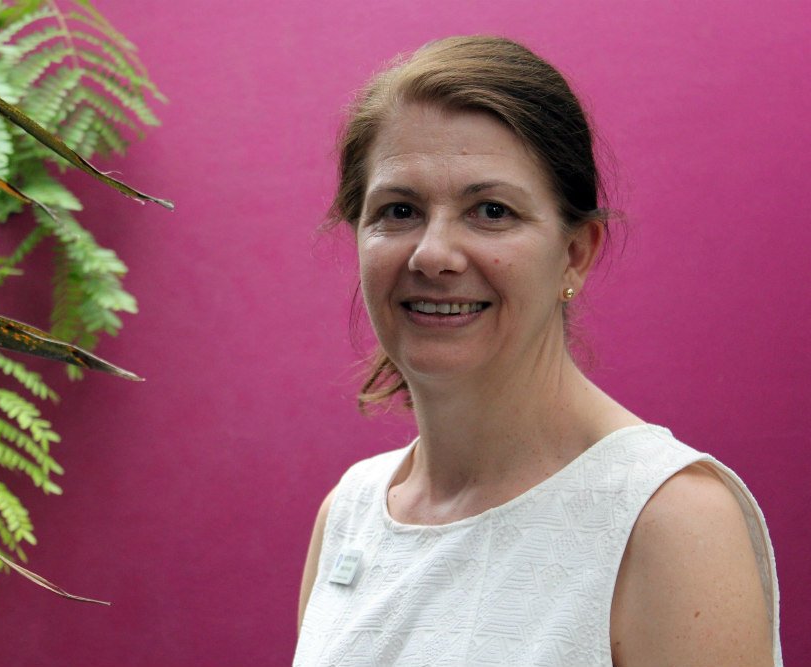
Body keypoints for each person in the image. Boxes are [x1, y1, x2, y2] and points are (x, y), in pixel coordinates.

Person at [294, 36, 782, 667]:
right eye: (400, 210)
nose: (433, 254)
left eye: (491, 211)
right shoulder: (350, 513)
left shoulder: (668, 520)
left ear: (576, 252)